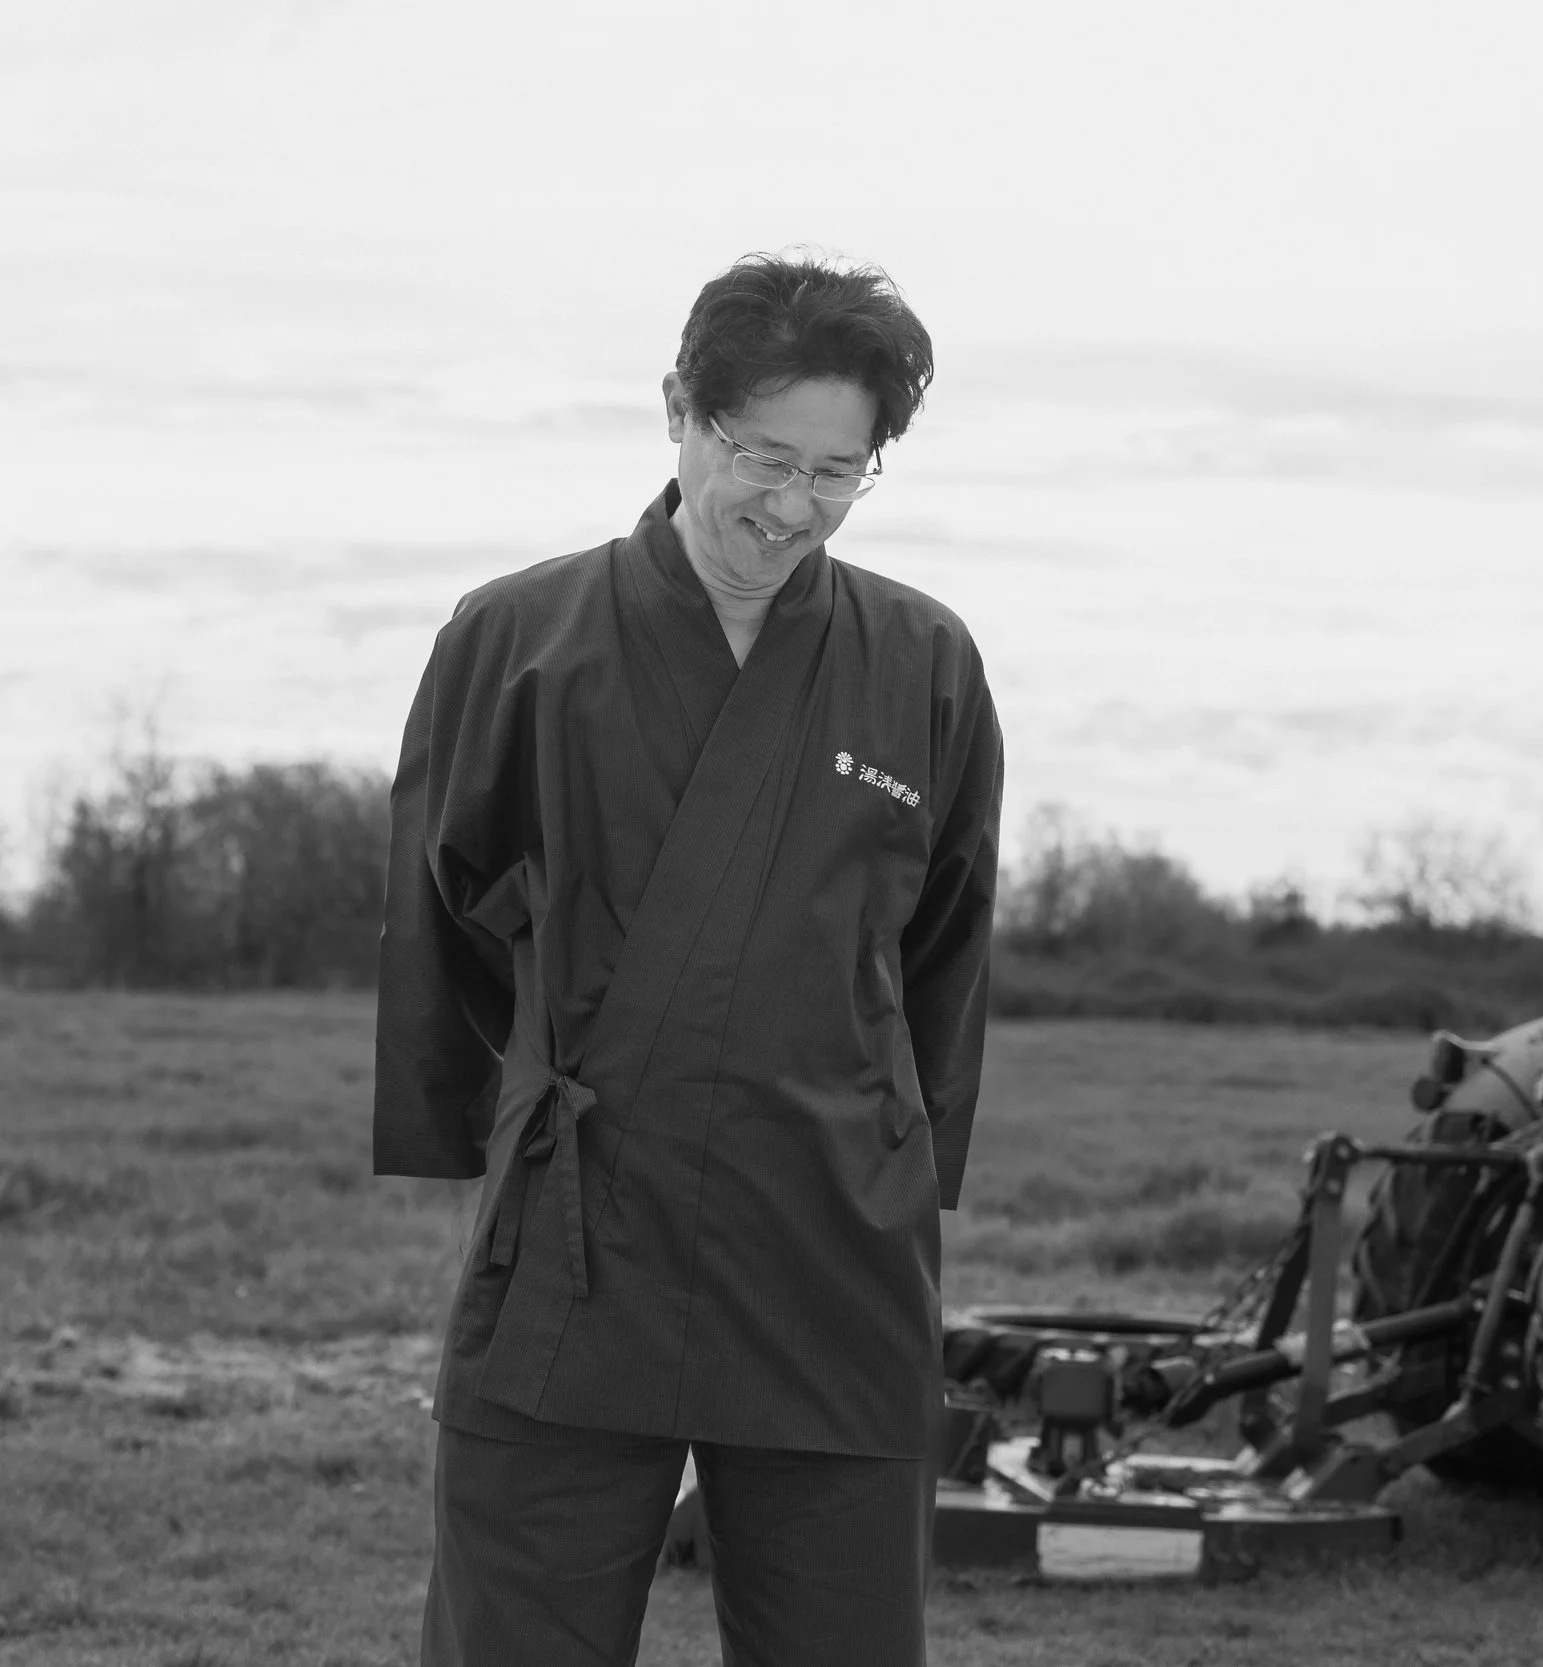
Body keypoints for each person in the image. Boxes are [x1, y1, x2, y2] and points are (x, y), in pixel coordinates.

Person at [374, 251, 1003, 1666]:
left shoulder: (927, 664)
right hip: (580, 1234)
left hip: (830, 1238)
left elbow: (944, 952)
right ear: (679, 411)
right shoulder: (517, 639)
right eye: (760, 454)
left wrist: (903, 1152)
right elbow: (442, 917)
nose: (790, 505)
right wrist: (521, 1102)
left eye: (837, 473)